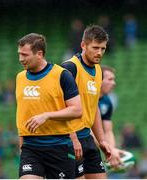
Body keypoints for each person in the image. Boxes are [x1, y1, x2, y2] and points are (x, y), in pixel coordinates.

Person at [16, 33, 84, 179]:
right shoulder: (20, 78)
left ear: (39, 54)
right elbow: (22, 114)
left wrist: (47, 115)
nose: (20, 59)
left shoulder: (62, 75)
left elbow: (77, 110)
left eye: (25, 55)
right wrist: (21, 145)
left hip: (58, 146)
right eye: (19, 54)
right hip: (31, 148)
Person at [62, 25, 111, 179]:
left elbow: (93, 106)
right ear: (83, 45)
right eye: (95, 47)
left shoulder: (99, 71)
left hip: (87, 138)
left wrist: (101, 140)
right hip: (69, 139)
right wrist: (73, 138)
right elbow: (59, 106)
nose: (99, 53)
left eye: (103, 49)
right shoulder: (69, 68)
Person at [99, 65, 124, 169]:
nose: (114, 83)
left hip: (93, 148)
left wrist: (113, 151)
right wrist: (108, 150)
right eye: (110, 79)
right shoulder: (84, 98)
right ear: (98, 80)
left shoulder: (107, 101)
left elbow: (108, 131)